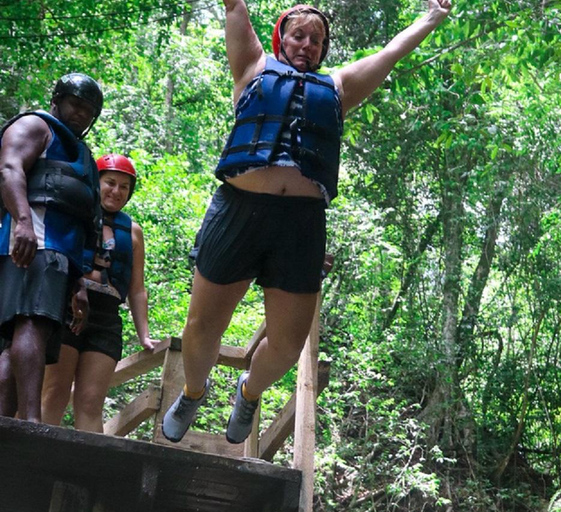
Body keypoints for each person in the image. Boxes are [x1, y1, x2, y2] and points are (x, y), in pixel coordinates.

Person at [162, 0, 452, 444]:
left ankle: (249, 391)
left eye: (316, 40)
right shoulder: (253, 66)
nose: (307, 45)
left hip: (300, 224)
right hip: (238, 209)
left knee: (287, 345)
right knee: (202, 326)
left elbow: (391, 53)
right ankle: (193, 392)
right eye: (299, 35)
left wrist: (431, 18)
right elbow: (235, 6)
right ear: (281, 38)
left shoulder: (337, 87)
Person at [0, 73, 103, 422]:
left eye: (89, 111)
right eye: (76, 104)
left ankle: (7, 427)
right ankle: (32, 422)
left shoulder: (83, 155)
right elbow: (9, 168)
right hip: (32, 242)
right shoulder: (35, 126)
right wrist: (23, 222)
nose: (81, 114)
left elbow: (84, 222)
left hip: (59, 255)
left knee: (18, 337)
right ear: (57, 101)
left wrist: (79, 282)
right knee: (32, 322)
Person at [40, 154, 159, 432]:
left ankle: (88, 461)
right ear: (97, 182)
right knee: (55, 391)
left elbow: (137, 289)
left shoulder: (133, 232)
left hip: (106, 319)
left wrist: (144, 334)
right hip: (67, 309)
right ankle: (37, 456)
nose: (116, 191)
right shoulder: (75, 216)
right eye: (110, 183)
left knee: (91, 401)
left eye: (124, 187)